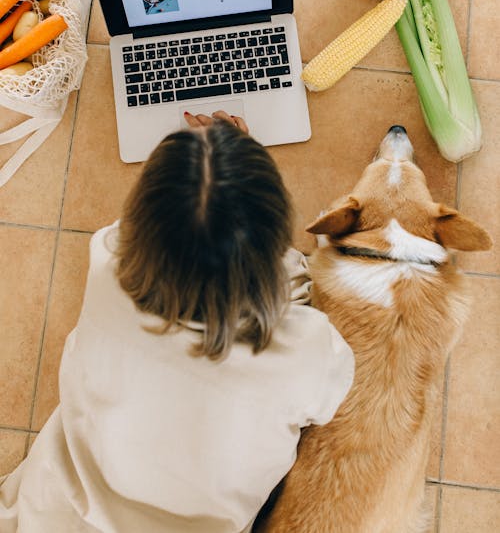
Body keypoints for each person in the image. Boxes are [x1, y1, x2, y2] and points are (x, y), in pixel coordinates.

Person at [0, 111, 354, 533]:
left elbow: (142, 233)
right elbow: (327, 401)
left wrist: (206, 174)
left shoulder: (107, 264)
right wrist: (233, 174)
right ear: (273, 238)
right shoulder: (308, 351)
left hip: (54, 516)